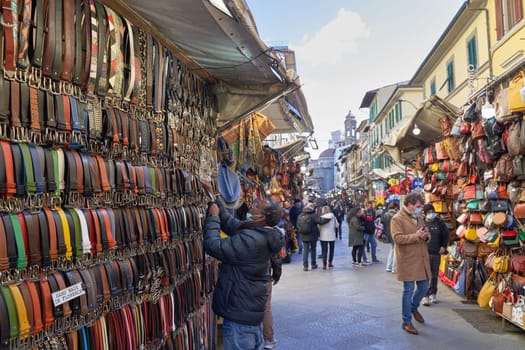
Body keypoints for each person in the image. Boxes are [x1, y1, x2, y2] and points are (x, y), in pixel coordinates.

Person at [204, 199, 284, 349]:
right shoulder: (261, 233)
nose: (251, 206)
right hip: (248, 311)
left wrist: (213, 218)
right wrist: (215, 198)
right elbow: (232, 224)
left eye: (256, 206)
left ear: (261, 217)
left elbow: (213, 246)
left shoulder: (252, 239)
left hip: (239, 314)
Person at [390, 192, 431, 335]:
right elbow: (397, 238)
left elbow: (426, 234)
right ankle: (406, 321)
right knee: (408, 290)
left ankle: (413, 307)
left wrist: (426, 236)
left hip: (421, 258)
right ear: (410, 205)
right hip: (407, 259)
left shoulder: (419, 217)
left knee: (424, 286)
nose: (420, 209)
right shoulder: (397, 219)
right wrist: (416, 236)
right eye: (418, 206)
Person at [421, 204, 449, 306]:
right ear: (425, 213)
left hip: (436, 252)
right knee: (425, 275)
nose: (431, 214)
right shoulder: (421, 223)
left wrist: (443, 246)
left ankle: (433, 293)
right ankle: (425, 295)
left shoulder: (439, 223)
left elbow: (445, 236)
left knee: (434, 275)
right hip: (425, 253)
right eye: (429, 213)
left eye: (432, 212)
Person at [296, 202, 330, 271]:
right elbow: (321, 221)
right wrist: (329, 217)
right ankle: (313, 264)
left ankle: (305, 266)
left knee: (305, 250)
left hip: (304, 235)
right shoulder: (313, 215)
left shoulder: (300, 215)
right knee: (313, 249)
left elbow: (297, 225)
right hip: (313, 235)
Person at [263, 240, 282, 349]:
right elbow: (275, 258)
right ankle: (268, 339)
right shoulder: (268, 233)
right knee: (266, 308)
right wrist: (276, 274)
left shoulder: (241, 231)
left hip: (246, 278)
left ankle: (256, 338)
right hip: (264, 276)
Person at [382, 202, 399, 273]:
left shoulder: (385, 214)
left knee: (392, 250)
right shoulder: (395, 215)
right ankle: (394, 268)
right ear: (395, 207)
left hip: (388, 234)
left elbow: (382, 223)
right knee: (395, 251)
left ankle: (388, 266)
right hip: (394, 233)